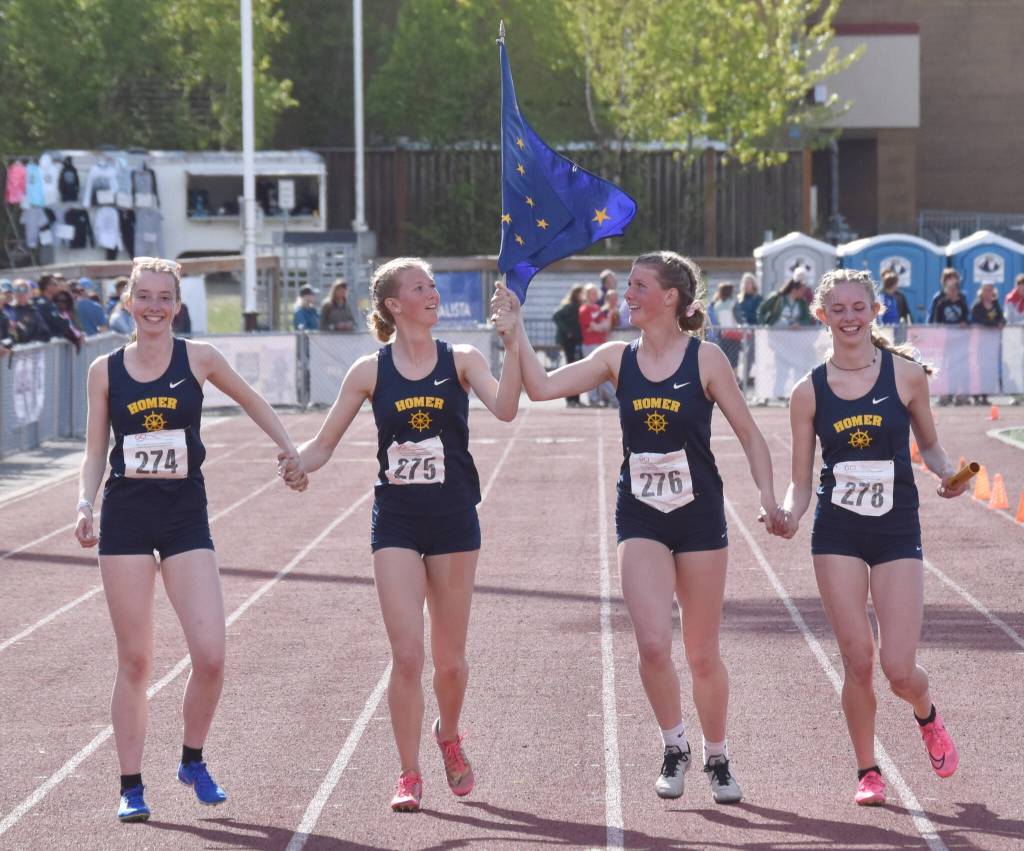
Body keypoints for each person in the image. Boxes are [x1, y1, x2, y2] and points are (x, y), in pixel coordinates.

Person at [493, 250, 786, 805]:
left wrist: (768, 498)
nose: (625, 294)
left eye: (637, 285)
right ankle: (675, 745)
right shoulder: (614, 357)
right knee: (652, 644)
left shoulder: (706, 361)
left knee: (702, 652)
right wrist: (514, 336)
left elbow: (750, 435)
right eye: (627, 284)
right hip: (641, 514)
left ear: (670, 297)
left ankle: (717, 755)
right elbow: (540, 389)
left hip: (699, 516)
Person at [73, 256, 307, 823]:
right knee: (135, 659)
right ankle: (131, 784)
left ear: (178, 306)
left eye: (164, 298)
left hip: (185, 518)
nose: (154, 307)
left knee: (210, 654)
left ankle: (192, 759)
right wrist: (85, 502)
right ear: (128, 301)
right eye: (144, 296)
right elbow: (94, 449)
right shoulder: (105, 371)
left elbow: (252, 399)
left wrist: (288, 447)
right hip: (126, 518)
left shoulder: (199, 358)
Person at [291, 257, 521, 813]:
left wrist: (514, 343)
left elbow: (508, 408)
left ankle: (449, 734)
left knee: (451, 661)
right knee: (408, 655)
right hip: (394, 519)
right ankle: (408, 773)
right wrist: (298, 463)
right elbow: (322, 445)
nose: (432, 293)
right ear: (395, 305)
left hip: (453, 518)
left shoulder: (462, 360)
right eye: (420, 287)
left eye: (433, 285)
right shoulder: (369, 372)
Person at [774, 268, 966, 807]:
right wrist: (788, 514)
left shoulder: (906, 377)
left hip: (896, 528)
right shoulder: (806, 392)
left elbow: (930, 447)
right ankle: (868, 770)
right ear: (822, 316)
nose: (849, 317)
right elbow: (799, 480)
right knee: (858, 660)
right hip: (837, 531)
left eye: (859, 307)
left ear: (876, 311)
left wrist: (946, 475)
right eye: (838, 309)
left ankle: (925, 711)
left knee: (898, 667)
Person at [928, 270, 970, 405]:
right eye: (949, 288)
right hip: (945, 342)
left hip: (960, 342)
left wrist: (965, 324)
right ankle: (944, 395)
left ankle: (959, 394)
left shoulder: (962, 301)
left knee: (960, 368)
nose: (952, 291)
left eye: (954, 288)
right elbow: (935, 320)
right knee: (945, 368)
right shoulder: (940, 302)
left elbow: (967, 318)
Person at [579, 283, 615, 406]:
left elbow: (604, 326)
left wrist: (598, 327)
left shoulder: (596, 308)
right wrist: (599, 327)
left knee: (603, 374)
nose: (595, 295)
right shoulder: (584, 309)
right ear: (587, 295)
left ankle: (607, 399)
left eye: (595, 293)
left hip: (599, 343)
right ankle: (594, 399)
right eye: (592, 293)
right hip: (590, 344)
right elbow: (593, 327)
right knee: (593, 375)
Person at [551, 284, 585, 407]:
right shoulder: (570, 306)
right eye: (582, 293)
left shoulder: (581, 306)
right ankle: (570, 399)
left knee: (578, 369)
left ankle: (576, 399)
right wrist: (568, 332)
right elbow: (556, 316)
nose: (584, 295)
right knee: (572, 369)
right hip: (569, 341)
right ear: (576, 294)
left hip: (577, 341)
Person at [708, 282, 741, 371]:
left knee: (724, 358)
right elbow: (739, 318)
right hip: (734, 334)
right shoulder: (734, 303)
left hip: (723, 334)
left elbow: (717, 320)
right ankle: (735, 379)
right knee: (734, 360)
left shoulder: (717, 305)